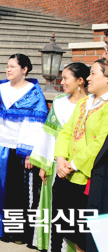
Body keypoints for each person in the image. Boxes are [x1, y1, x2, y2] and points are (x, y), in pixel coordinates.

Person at [0, 54, 47, 245]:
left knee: (15, 192)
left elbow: (35, 126)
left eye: (13, 67)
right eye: (7, 66)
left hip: (18, 150)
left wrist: (29, 152)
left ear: (25, 70)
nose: (8, 70)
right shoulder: (2, 88)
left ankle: (14, 232)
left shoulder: (34, 93)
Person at [28, 63, 89, 251]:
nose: (61, 82)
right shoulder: (59, 102)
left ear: (80, 81)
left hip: (79, 168)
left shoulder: (91, 105)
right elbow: (49, 135)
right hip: (56, 163)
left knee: (75, 216)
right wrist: (44, 164)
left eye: (65, 78)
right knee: (55, 211)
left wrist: (73, 163)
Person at [52, 59, 108, 252]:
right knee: (72, 230)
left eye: (93, 74)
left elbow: (99, 143)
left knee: (90, 235)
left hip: (87, 178)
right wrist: (60, 159)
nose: (89, 78)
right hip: (66, 174)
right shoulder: (85, 102)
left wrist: (73, 164)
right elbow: (66, 131)